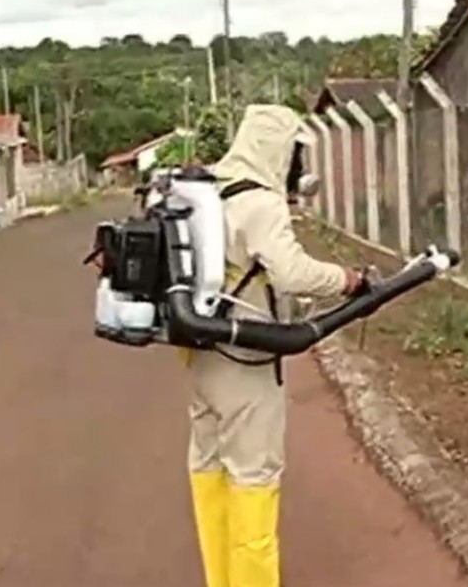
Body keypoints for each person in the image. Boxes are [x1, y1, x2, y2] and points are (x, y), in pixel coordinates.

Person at [182, 104, 363, 587]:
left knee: (209, 465)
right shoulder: (259, 202)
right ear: (276, 149)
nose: (298, 164)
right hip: (245, 357)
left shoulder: (207, 191)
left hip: (201, 353)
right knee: (254, 479)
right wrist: (346, 279)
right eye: (295, 153)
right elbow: (292, 272)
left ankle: (221, 578)